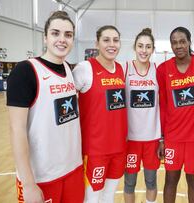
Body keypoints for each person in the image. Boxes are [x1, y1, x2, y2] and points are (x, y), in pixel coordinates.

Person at [7, 11, 84, 203]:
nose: (62, 40)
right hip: (42, 177)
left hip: (73, 168)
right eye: (55, 33)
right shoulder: (25, 71)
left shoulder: (68, 69)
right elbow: (17, 131)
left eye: (68, 35)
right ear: (45, 37)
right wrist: (28, 184)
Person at [72, 25, 127, 203]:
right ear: (97, 44)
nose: (112, 44)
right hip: (95, 150)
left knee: (109, 196)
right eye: (106, 40)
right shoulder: (84, 69)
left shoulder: (121, 69)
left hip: (118, 147)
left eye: (115, 40)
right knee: (92, 198)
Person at [156, 26, 194, 203]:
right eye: (174, 42)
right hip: (173, 137)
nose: (178, 45)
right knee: (170, 180)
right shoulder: (163, 69)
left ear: (189, 42)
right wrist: (162, 138)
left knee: (193, 181)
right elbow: (163, 105)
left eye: (182, 41)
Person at [123, 28, 161, 203]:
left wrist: (162, 138)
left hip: (152, 138)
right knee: (129, 183)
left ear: (153, 49)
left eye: (148, 47)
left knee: (151, 181)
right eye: (140, 46)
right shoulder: (125, 68)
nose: (144, 50)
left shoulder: (157, 71)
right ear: (134, 47)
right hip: (130, 139)